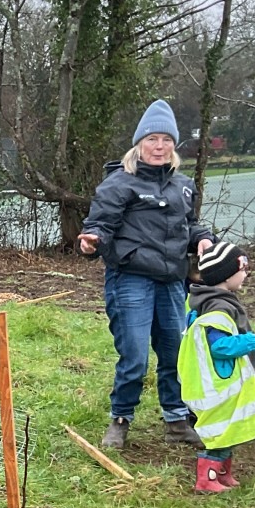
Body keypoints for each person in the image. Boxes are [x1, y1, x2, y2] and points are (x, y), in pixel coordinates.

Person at [78, 99, 214, 450]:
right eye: (152, 139)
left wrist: (203, 241)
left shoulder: (182, 185)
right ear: (139, 143)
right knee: (135, 357)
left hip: (171, 281)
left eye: (166, 140)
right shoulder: (119, 183)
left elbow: (190, 226)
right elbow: (99, 224)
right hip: (131, 280)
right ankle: (120, 419)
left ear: (174, 145)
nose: (159, 146)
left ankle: (176, 419)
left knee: (174, 355)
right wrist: (92, 242)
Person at [178, 242, 255, 493]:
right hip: (221, 387)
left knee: (230, 433)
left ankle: (223, 474)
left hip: (225, 385)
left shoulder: (214, 301)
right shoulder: (219, 307)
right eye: (243, 269)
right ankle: (206, 479)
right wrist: (252, 341)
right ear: (226, 275)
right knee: (220, 435)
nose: (246, 274)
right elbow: (219, 347)